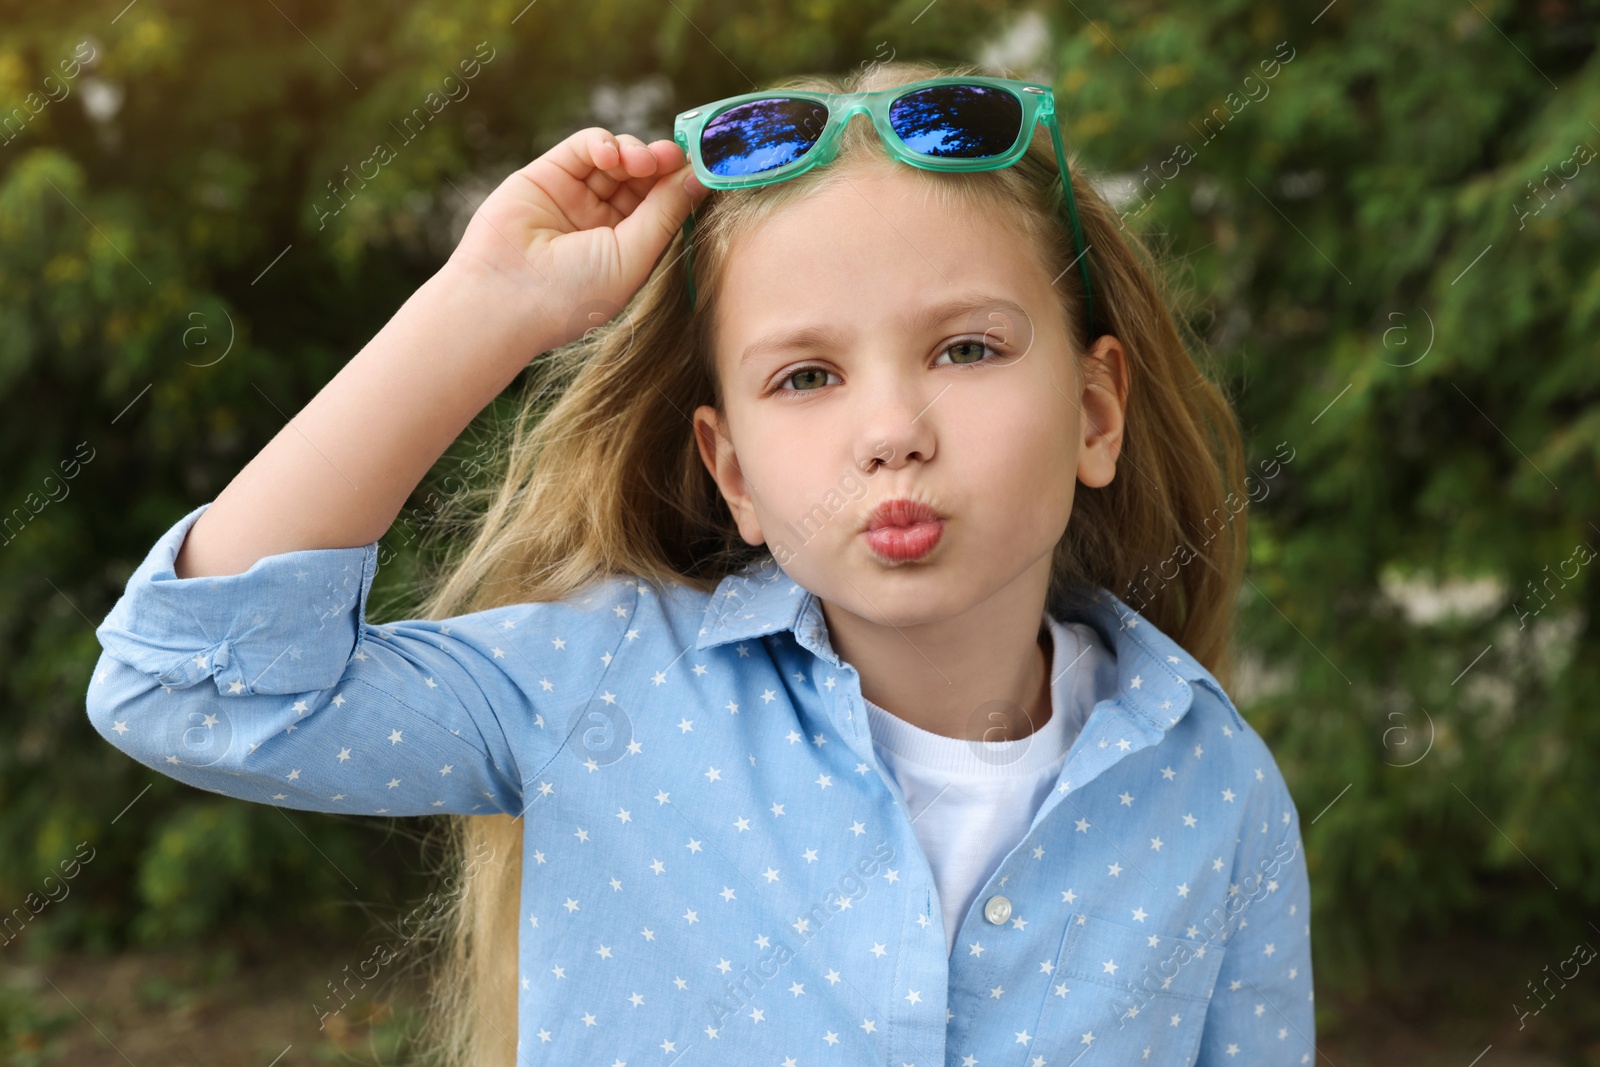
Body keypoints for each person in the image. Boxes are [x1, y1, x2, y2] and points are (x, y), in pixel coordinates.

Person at [86, 58, 1313, 1067]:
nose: (891, 430)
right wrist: (488, 304)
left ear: (1095, 414)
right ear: (734, 475)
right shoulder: (598, 684)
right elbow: (189, 683)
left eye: (966, 348)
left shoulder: (1214, 789)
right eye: (807, 376)